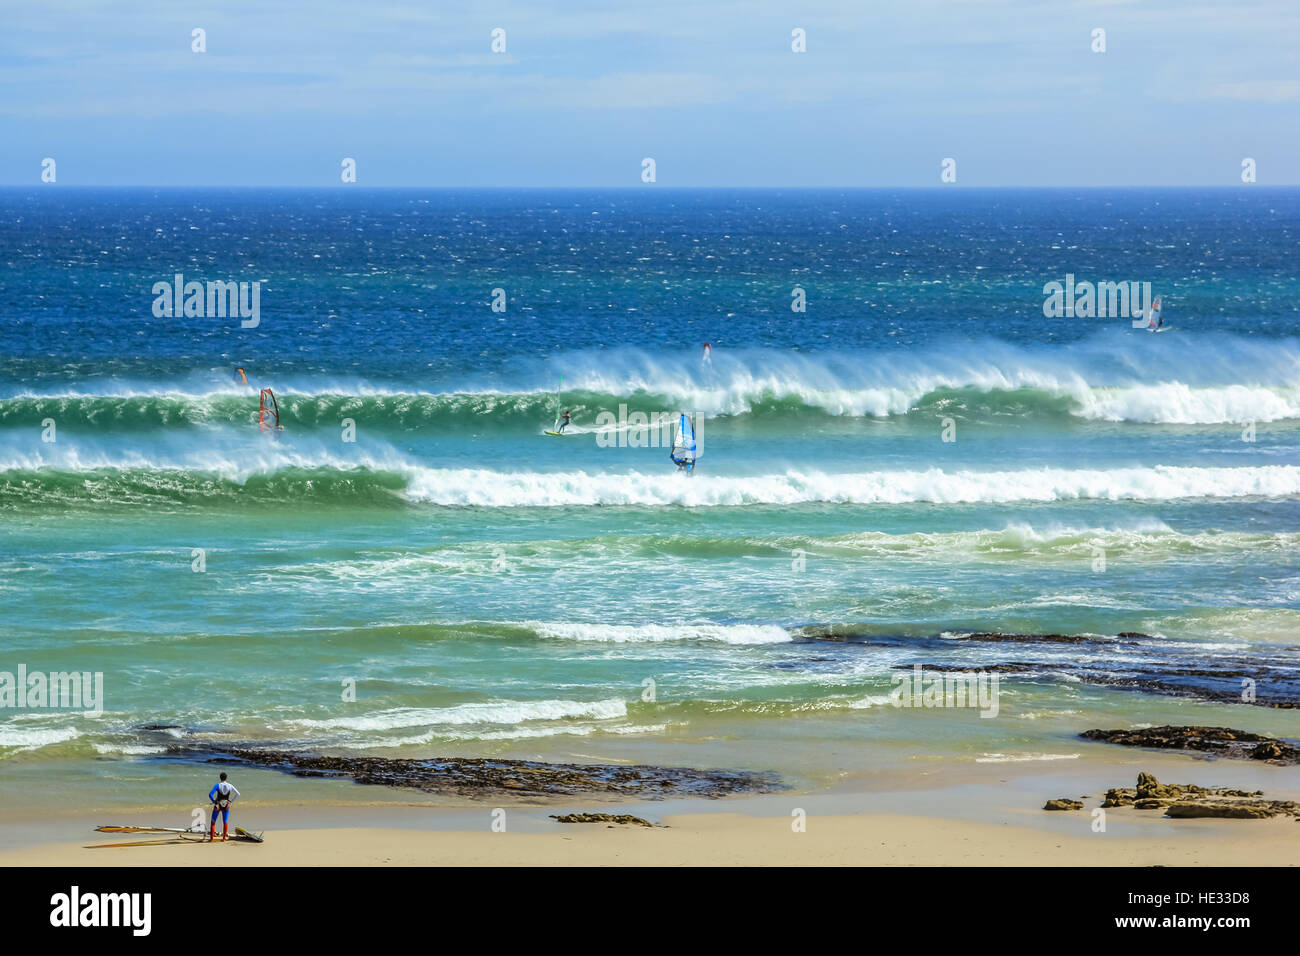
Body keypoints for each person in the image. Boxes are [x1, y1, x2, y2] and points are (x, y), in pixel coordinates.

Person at [208, 772, 240, 842]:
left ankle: (211, 838)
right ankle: (224, 838)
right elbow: (238, 794)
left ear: (220, 778)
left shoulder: (217, 785)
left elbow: (210, 794)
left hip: (218, 805)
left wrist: (214, 801)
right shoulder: (230, 785)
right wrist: (230, 801)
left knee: (213, 822)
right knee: (225, 821)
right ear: (226, 778)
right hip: (226, 805)